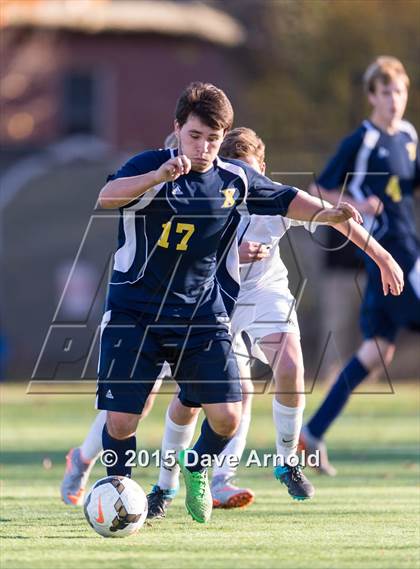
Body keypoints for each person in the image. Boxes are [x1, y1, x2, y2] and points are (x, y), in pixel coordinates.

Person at [91, 81, 366, 525]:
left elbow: (285, 198)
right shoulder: (150, 164)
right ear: (177, 128)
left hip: (199, 314)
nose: (202, 147)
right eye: (195, 135)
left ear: (223, 138)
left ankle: (197, 465)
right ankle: (117, 497)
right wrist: (157, 178)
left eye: (213, 139)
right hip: (135, 312)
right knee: (121, 423)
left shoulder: (233, 179)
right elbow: (107, 197)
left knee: (228, 418)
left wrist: (328, 213)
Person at [145, 127, 404, 519]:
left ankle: (285, 461)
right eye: (236, 174)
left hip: (266, 292)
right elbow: (175, 251)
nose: (246, 185)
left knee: (291, 365)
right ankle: (164, 487)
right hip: (215, 297)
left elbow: (333, 217)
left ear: (262, 170)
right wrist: (228, 252)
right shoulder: (211, 197)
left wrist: (383, 257)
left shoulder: (274, 196)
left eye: (252, 174)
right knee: (193, 399)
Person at [300, 56, 420, 475]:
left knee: (375, 351)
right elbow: (318, 189)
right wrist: (350, 207)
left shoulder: (408, 136)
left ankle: (311, 434)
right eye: (385, 92)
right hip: (391, 257)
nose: (394, 100)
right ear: (372, 96)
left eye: (399, 91)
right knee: (375, 351)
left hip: (402, 254)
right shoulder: (362, 141)